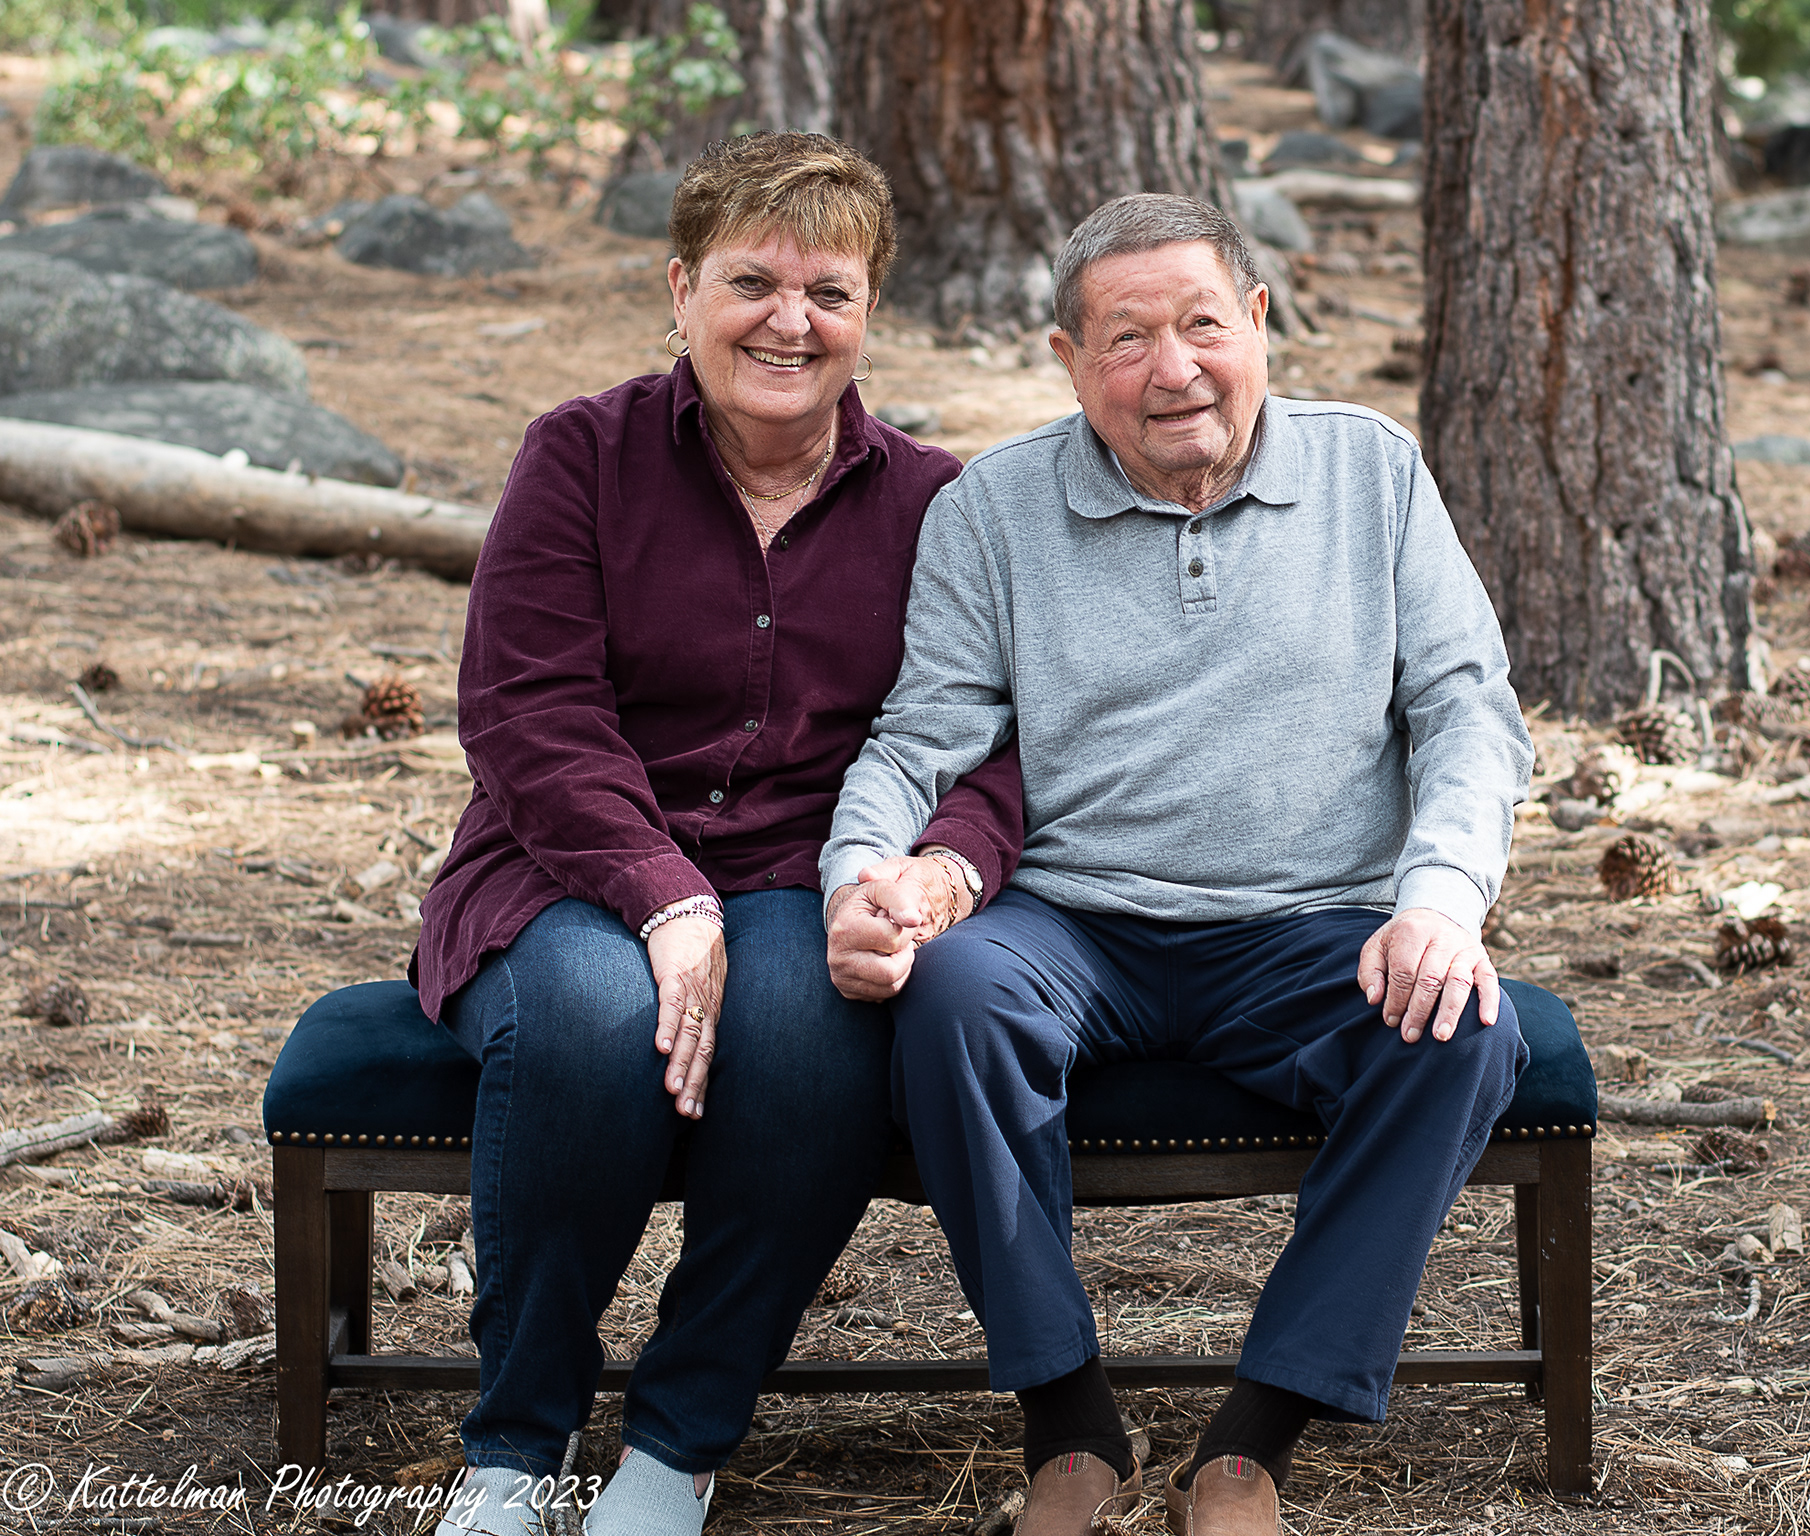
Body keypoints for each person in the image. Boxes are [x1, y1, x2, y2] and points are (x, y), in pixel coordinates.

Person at [822, 193, 1537, 1536]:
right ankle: (1070, 1423)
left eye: (1204, 324)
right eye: (1127, 338)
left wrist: (1440, 901)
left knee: (1461, 1029)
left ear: (1258, 321)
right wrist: (858, 872)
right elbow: (922, 735)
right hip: (1073, 926)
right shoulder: (994, 509)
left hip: (1310, 927)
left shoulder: (1373, 472)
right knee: (951, 995)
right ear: (1068, 360)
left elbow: (1466, 713)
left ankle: (1252, 1444)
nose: (1175, 369)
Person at [414, 132, 1023, 1536]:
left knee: (813, 1034)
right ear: (681, 290)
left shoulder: (936, 502)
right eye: (753, 282)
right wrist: (662, 895)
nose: (789, 322)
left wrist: (931, 874)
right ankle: (517, 1446)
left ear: (870, 313)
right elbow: (526, 711)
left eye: (830, 292)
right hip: (567, 862)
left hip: (804, 873)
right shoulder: (581, 455)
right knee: (584, 1018)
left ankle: (678, 1439)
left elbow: (994, 745)